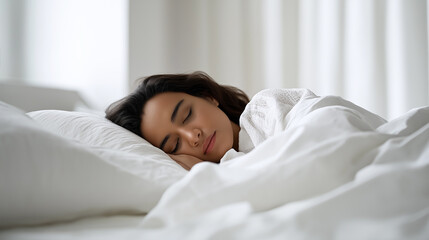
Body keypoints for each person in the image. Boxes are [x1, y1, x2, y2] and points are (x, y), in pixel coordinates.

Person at [105, 71, 250, 170]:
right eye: (175, 145)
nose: (193, 137)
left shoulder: (269, 109)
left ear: (207, 96)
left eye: (187, 115)